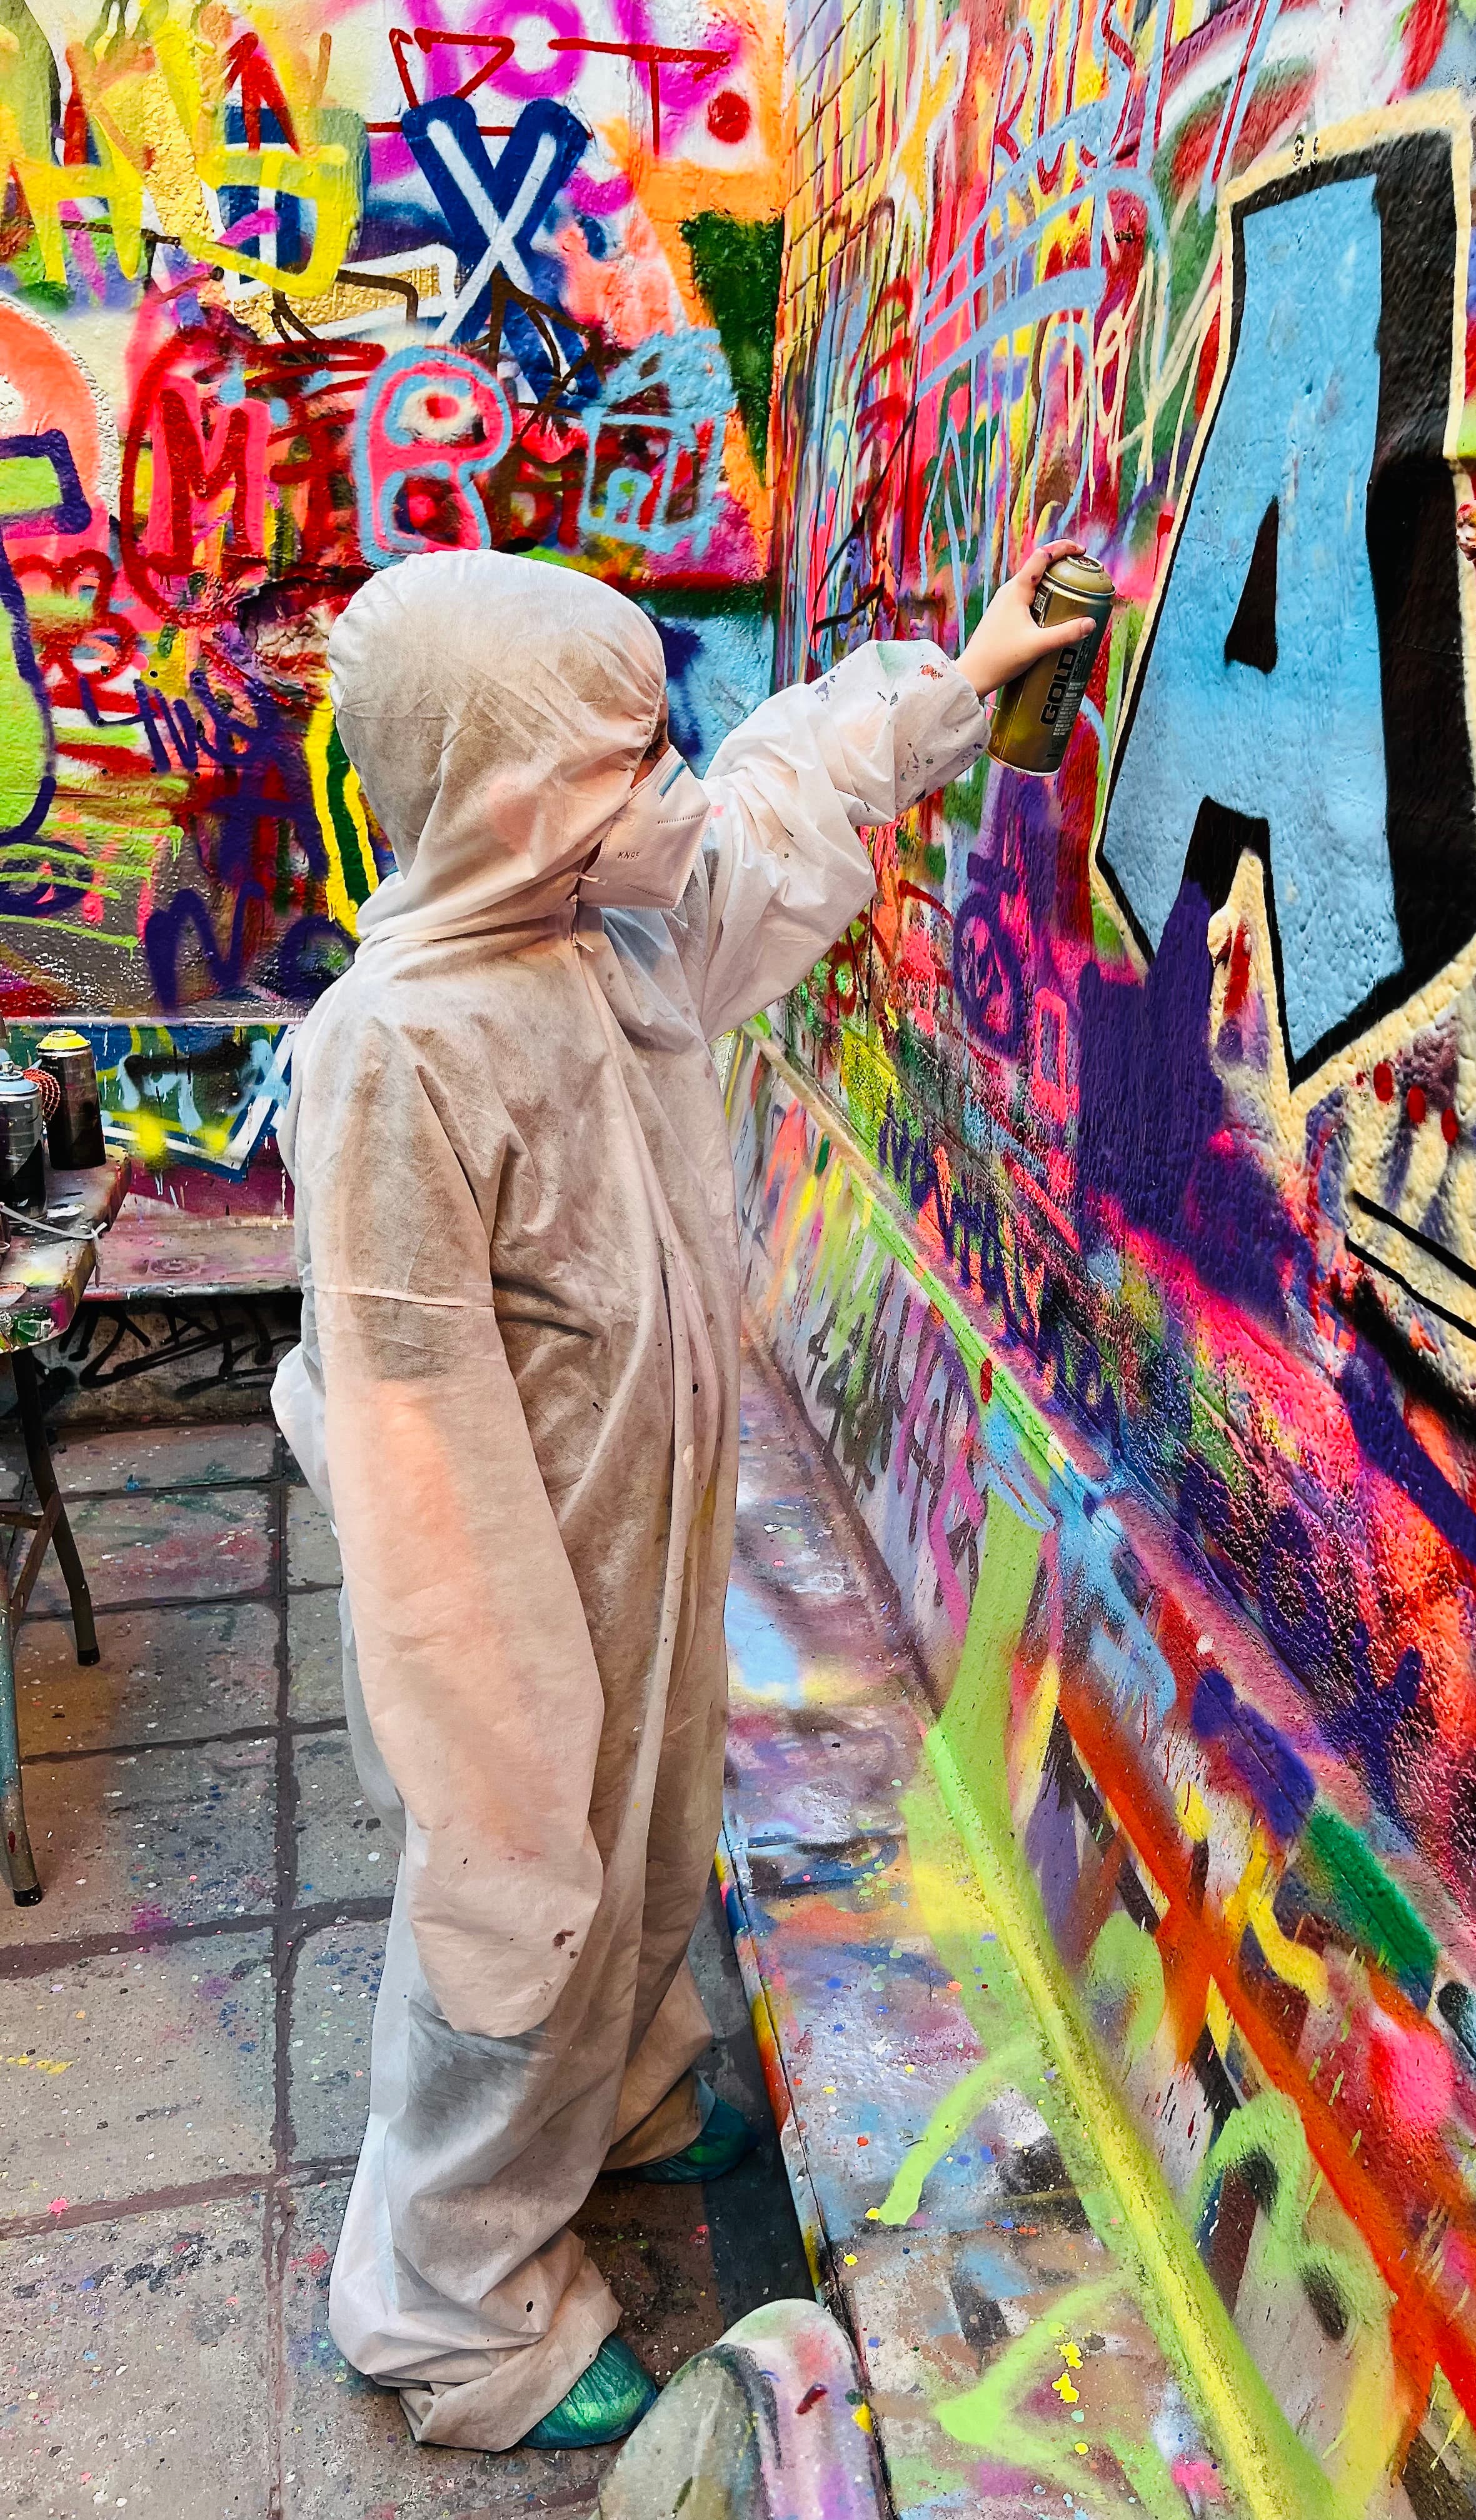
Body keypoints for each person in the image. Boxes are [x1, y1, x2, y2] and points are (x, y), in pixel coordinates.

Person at [270, 542, 1078, 2453]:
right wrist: (489, 1734)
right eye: (627, 759)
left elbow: (776, 808)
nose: (670, 784)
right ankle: (453, 2306)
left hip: (645, 1534)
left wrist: (961, 682)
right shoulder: (398, 1048)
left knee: (650, 1843)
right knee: (517, 1915)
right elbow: (410, 1440)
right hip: (514, 1585)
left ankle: (626, 2099)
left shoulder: (606, 931)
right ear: (512, 797)